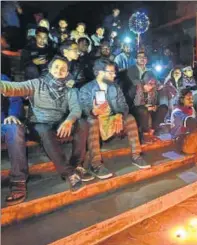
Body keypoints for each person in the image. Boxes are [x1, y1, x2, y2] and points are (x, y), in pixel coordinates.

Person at [0, 56, 89, 193]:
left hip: (58, 123)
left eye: (63, 69)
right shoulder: (37, 84)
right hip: (38, 124)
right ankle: (69, 173)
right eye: (56, 67)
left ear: (67, 73)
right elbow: (14, 88)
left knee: (82, 123)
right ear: (50, 69)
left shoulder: (69, 90)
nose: (59, 71)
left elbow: (76, 109)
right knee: (44, 128)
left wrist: (68, 121)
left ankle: (76, 164)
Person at [79, 58, 150, 170]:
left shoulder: (115, 87)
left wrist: (120, 115)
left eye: (114, 72)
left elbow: (124, 105)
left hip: (112, 119)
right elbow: (84, 108)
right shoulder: (86, 89)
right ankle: (96, 163)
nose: (114, 74)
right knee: (92, 121)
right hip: (96, 120)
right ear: (100, 73)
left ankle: (136, 155)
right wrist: (93, 111)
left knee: (130, 118)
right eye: (111, 72)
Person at [1, 73, 27, 205]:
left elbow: (14, 98)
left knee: (14, 128)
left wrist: (13, 114)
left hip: (2, 122)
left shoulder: (2, 78)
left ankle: (18, 180)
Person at [133, 71, 168, 139]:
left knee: (163, 108)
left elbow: (155, 102)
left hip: (150, 110)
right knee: (143, 110)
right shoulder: (137, 88)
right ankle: (145, 132)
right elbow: (136, 105)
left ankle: (153, 131)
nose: (151, 86)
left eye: (153, 84)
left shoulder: (153, 90)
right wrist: (146, 107)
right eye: (150, 84)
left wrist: (155, 107)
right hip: (140, 111)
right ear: (144, 83)